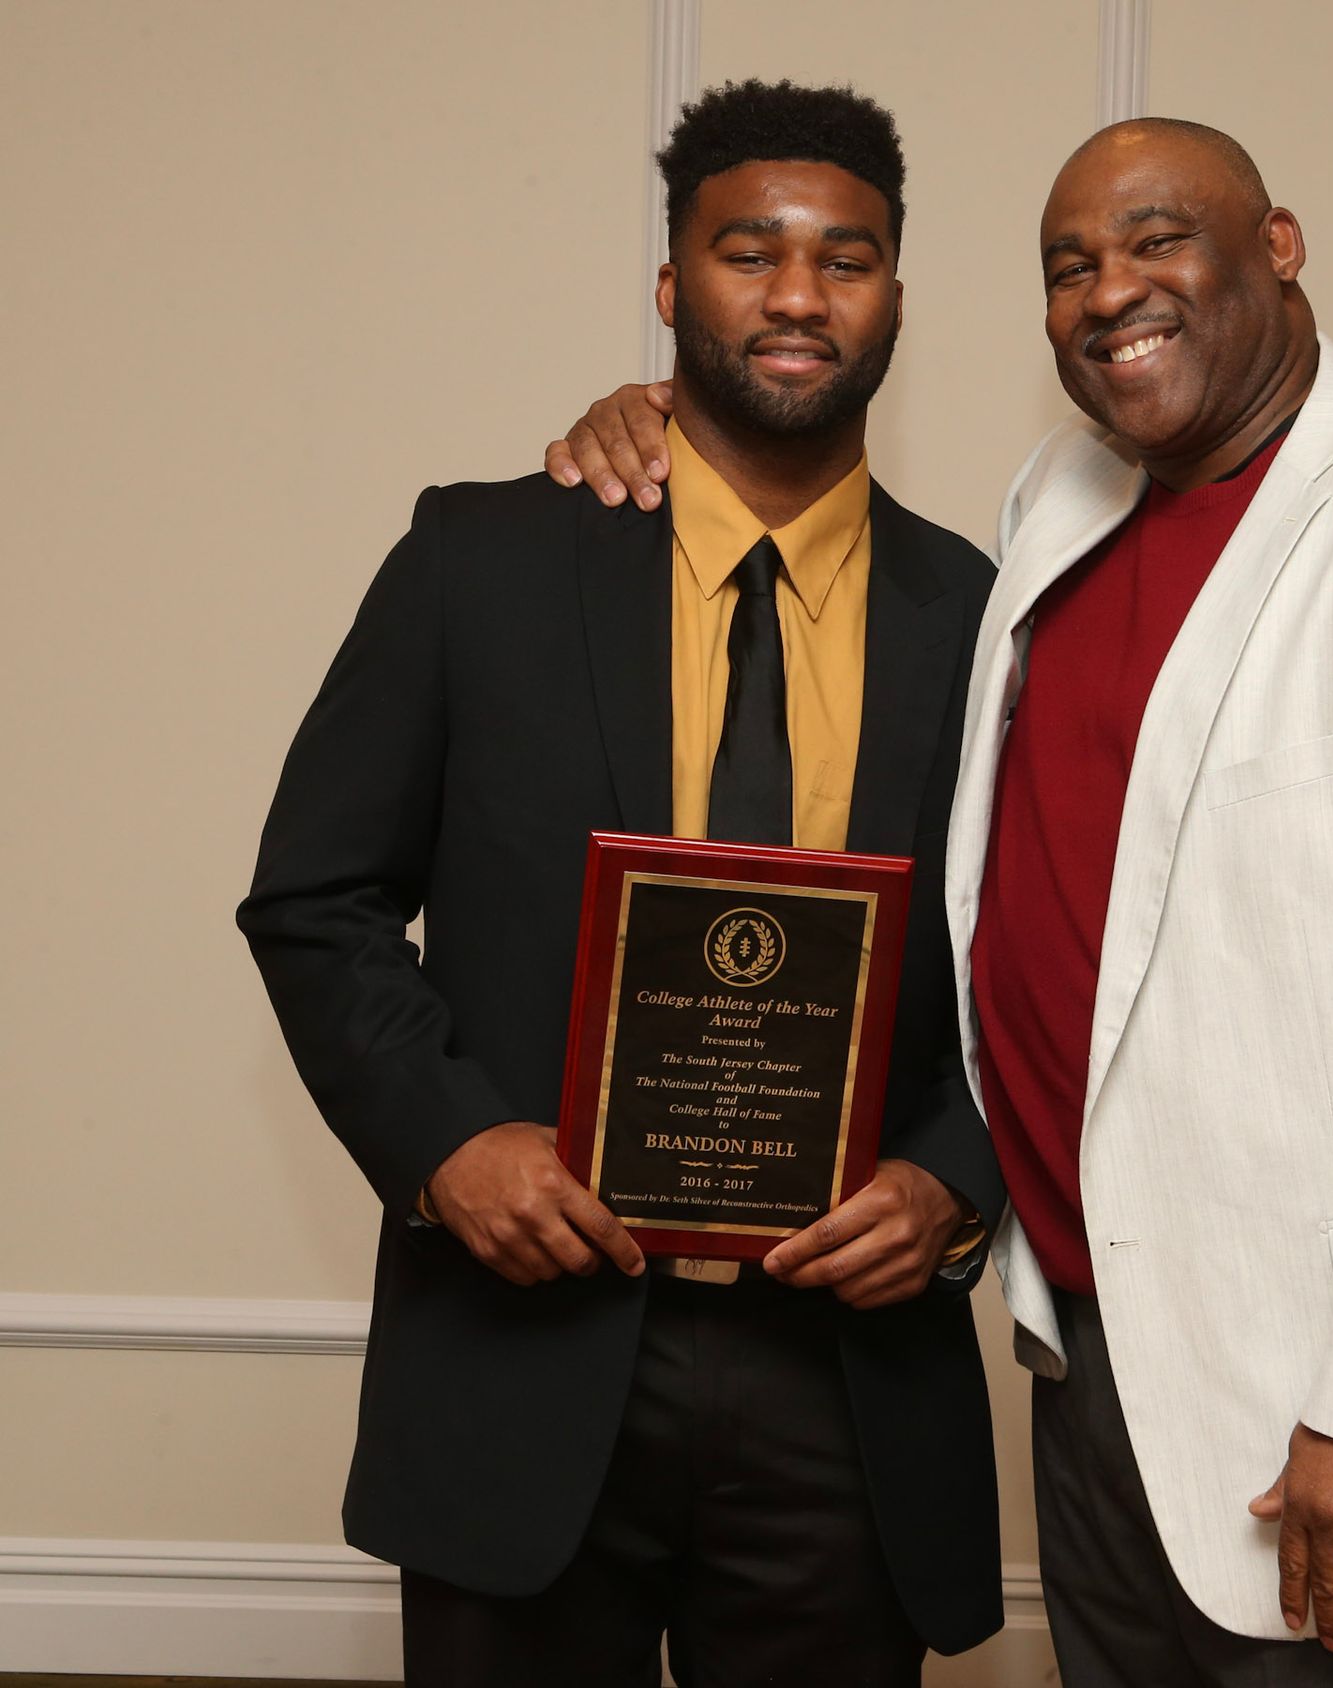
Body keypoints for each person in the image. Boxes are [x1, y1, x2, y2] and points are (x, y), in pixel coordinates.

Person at [547, 117, 1333, 1687]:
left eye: (1156, 241)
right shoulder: (1064, 498)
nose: (1108, 291)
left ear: (1279, 246)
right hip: (1098, 1366)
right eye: (1068, 267)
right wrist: (666, 419)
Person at [240, 80, 1006, 1687]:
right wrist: (446, 1142)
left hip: (847, 1382)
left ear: (895, 299)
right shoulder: (482, 562)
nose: (798, 294)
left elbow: (1051, 971)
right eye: (749, 251)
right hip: (525, 1349)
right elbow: (316, 899)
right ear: (671, 284)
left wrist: (954, 1183)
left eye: (846, 259)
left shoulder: (987, 619)